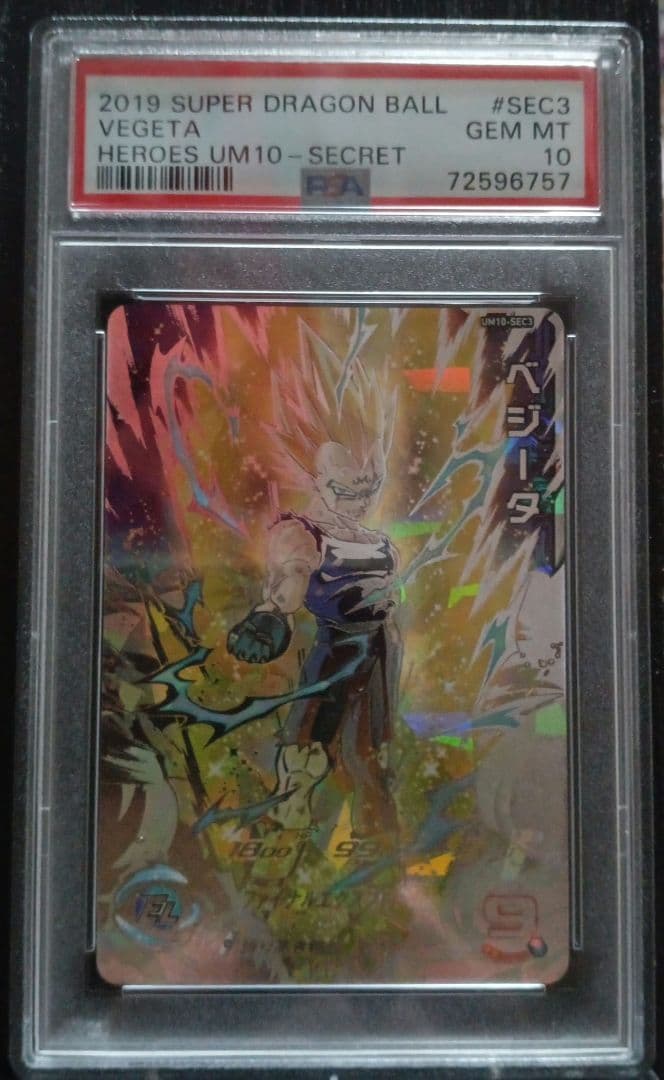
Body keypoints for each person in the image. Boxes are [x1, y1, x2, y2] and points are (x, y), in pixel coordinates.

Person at [227, 327, 401, 838]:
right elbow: (293, 574)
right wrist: (272, 613)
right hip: (336, 650)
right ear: (316, 479)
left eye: (370, 486)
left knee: (373, 753)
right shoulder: (301, 531)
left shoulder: (374, 537)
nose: (361, 501)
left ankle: (375, 840)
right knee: (308, 748)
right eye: (346, 490)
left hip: (382, 650)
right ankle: (286, 826)